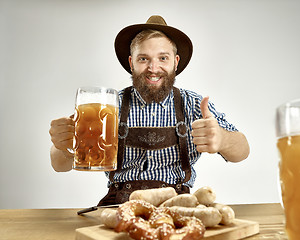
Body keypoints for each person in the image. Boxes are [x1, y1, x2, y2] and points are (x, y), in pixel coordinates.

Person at [49, 15, 250, 205]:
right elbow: (59, 165)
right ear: (131, 63)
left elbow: (242, 150)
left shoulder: (194, 104)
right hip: (119, 206)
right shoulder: (109, 106)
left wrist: (221, 138)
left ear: (175, 62)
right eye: (143, 59)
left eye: (163, 58)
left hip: (178, 206)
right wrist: (64, 145)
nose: (153, 68)